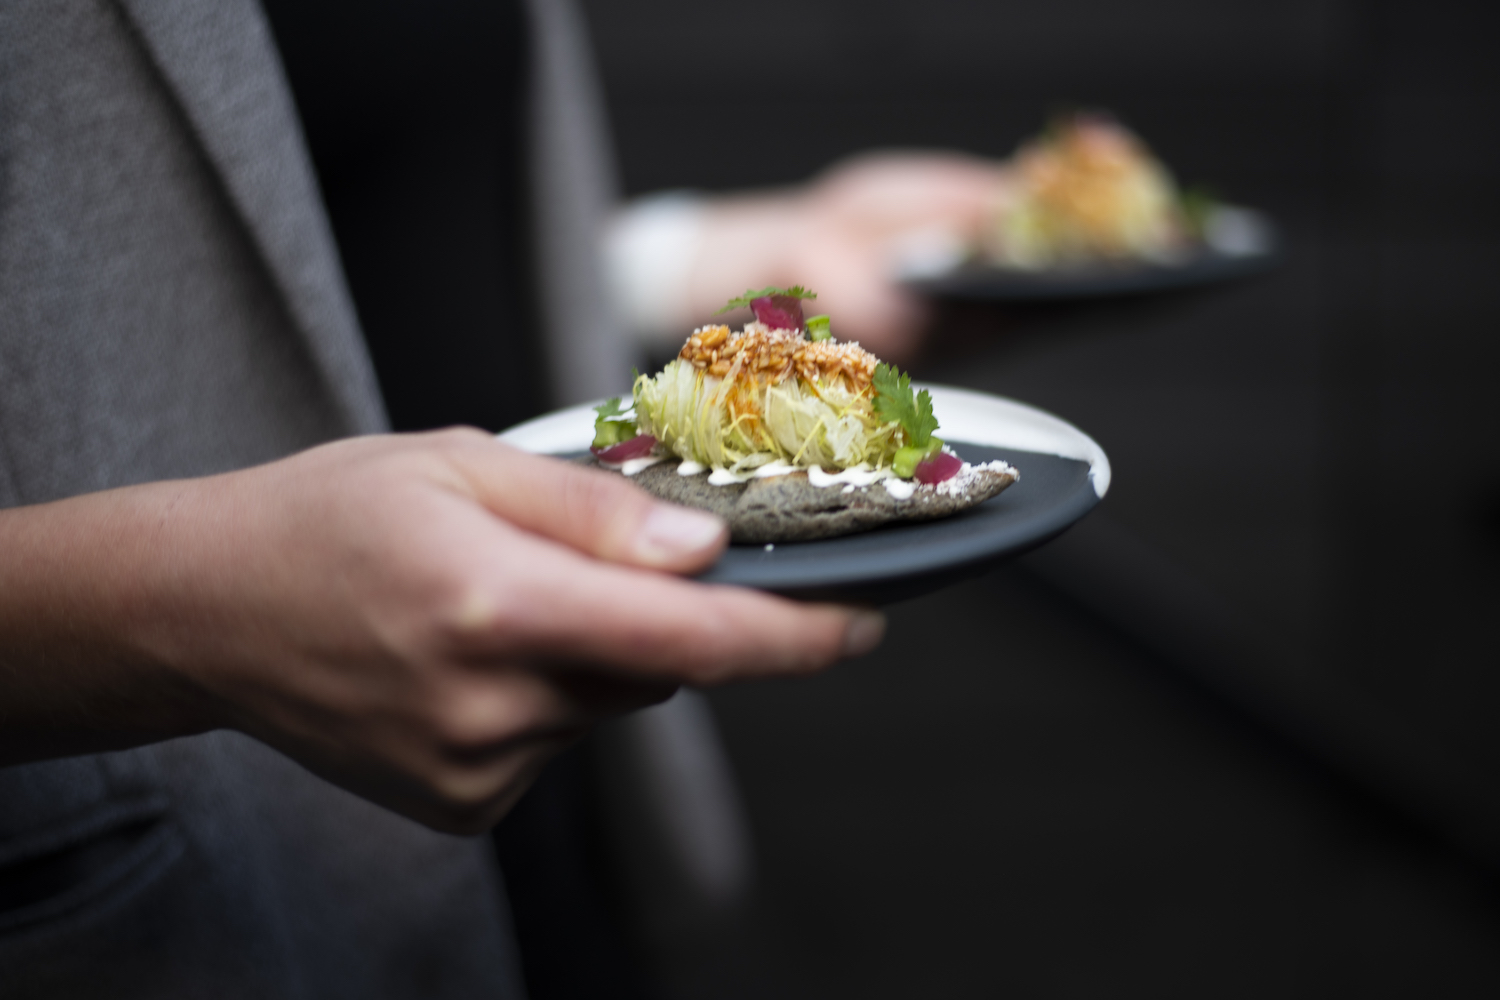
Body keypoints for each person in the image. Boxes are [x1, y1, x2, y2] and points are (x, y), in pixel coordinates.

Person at [0, 1, 997, 995]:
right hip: (179, 904)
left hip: (556, 831)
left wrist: (708, 261)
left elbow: (370, 216)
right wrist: (177, 603)